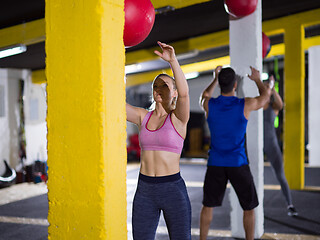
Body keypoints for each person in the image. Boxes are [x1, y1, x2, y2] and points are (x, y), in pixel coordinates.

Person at [126, 41, 191, 240]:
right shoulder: (142, 116)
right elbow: (113, 103)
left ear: (174, 92)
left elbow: (185, 94)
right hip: (145, 190)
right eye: (156, 85)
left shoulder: (178, 119)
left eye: (165, 85)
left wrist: (173, 61)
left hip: (173, 189)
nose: (160, 88)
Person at [199, 66, 273, 240]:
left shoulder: (209, 104)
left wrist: (214, 78)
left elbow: (203, 96)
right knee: (249, 208)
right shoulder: (244, 104)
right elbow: (264, 99)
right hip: (238, 163)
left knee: (207, 206)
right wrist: (257, 80)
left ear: (219, 85)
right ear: (235, 84)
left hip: (215, 163)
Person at [263, 78, 298, 216]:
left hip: (271, 144)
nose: (266, 88)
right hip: (257, 145)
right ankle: (252, 207)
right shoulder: (257, 104)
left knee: (280, 175)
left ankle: (290, 204)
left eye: (268, 87)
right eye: (264, 86)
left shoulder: (273, 106)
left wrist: (273, 89)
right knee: (251, 175)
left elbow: (281, 104)